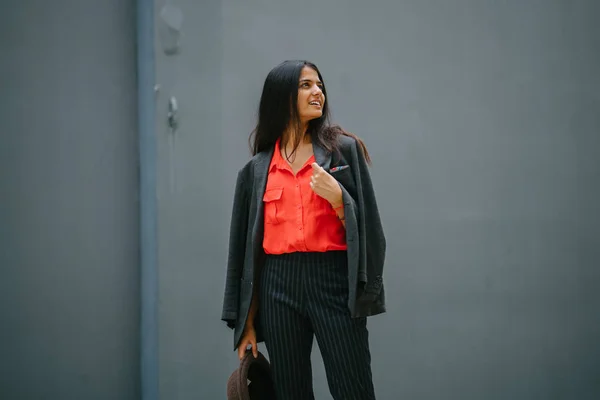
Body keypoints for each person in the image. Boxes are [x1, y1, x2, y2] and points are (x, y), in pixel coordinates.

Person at [221, 60, 386, 400]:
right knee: (289, 391)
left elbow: (369, 226)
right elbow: (246, 252)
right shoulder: (257, 170)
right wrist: (247, 321)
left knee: (353, 388)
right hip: (278, 286)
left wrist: (339, 197)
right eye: (306, 85)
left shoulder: (343, 152)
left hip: (332, 280)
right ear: (282, 96)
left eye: (320, 85)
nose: (318, 92)